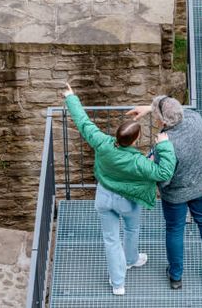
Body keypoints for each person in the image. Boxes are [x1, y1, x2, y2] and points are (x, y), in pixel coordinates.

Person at [63, 84, 176, 296]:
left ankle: (118, 284)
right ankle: (131, 259)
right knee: (132, 230)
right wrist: (164, 146)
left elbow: (84, 123)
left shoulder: (103, 143)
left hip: (104, 197)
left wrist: (71, 97)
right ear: (134, 140)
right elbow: (164, 173)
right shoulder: (138, 163)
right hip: (128, 201)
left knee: (111, 240)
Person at [128, 96, 202, 290]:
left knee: (174, 229)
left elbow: (164, 178)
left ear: (162, 122)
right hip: (201, 185)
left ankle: (176, 276)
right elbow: (174, 109)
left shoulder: (165, 144)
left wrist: (154, 159)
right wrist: (150, 108)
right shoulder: (195, 119)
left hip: (176, 195)